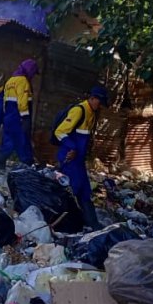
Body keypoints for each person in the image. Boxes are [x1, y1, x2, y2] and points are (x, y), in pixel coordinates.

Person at [53, 84, 109, 230]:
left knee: (84, 190)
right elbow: (59, 132)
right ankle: (65, 223)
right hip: (69, 159)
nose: (100, 106)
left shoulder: (91, 113)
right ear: (92, 98)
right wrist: (71, 147)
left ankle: (93, 224)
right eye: (99, 101)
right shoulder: (79, 111)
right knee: (72, 190)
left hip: (78, 160)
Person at [0, 59, 39, 169]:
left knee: (8, 142)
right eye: (33, 72)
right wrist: (25, 118)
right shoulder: (23, 81)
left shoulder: (10, 81)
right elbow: (22, 102)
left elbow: (5, 101)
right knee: (21, 141)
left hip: (9, 116)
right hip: (19, 117)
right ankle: (27, 166)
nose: (33, 76)